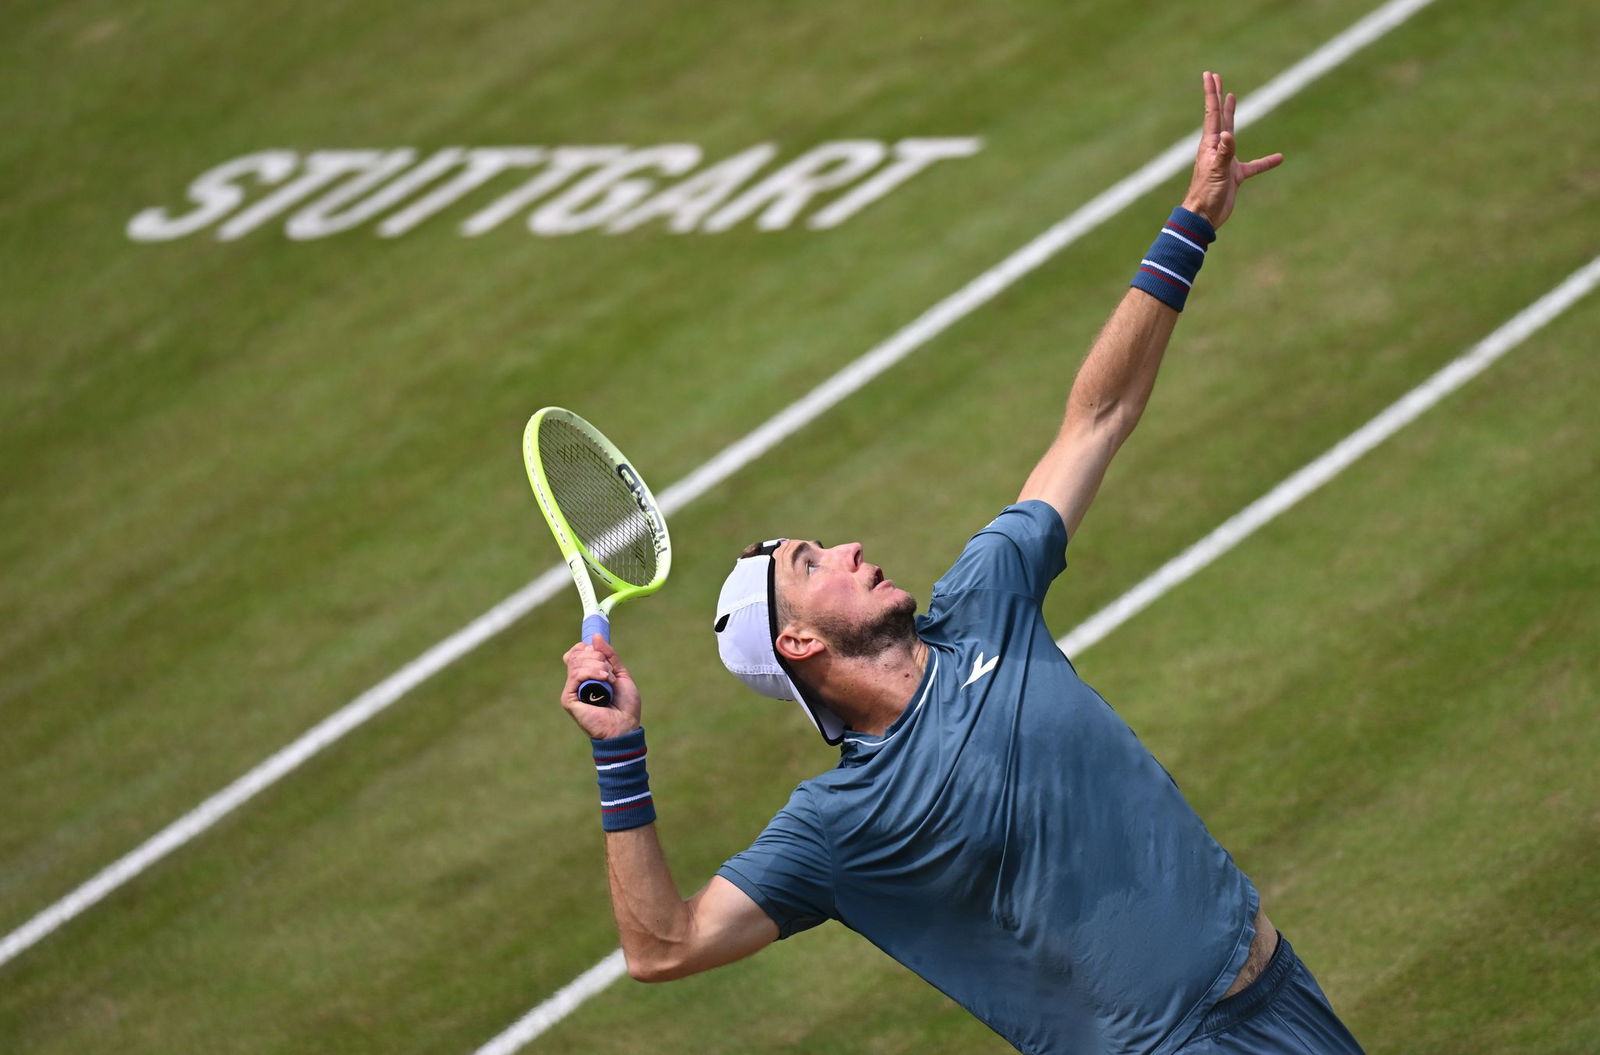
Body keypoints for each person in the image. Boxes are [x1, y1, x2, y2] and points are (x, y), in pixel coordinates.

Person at [560, 73, 1364, 1054]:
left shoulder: (987, 598)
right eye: (813, 561)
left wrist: (1192, 220)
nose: (850, 547)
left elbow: (1098, 416)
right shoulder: (841, 824)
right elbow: (663, 945)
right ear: (799, 640)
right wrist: (619, 751)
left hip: (1278, 990)